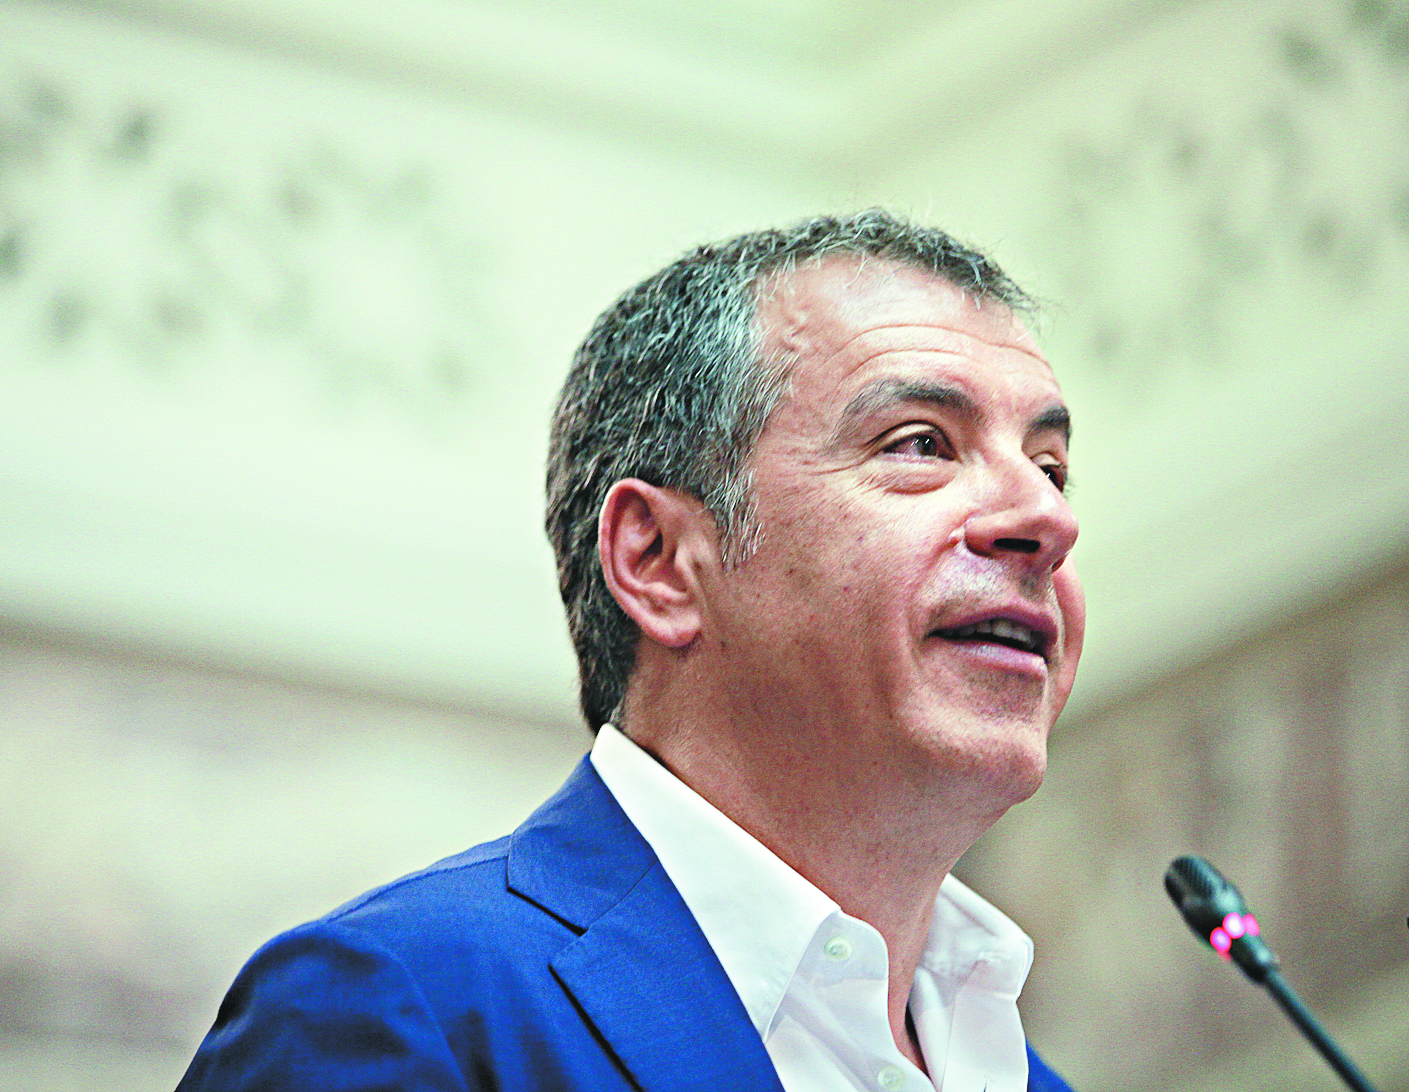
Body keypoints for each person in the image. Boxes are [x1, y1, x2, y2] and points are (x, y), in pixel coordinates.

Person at [176, 211, 1084, 1092]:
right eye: (922, 444)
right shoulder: (400, 1013)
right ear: (658, 563)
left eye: (1050, 467)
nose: (1048, 518)